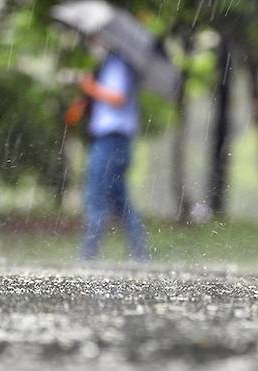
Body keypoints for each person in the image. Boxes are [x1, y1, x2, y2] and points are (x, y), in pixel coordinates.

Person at [72, 51, 149, 262]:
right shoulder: (111, 64)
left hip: (111, 141)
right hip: (115, 141)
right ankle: (141, 255)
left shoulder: (118, 63)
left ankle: (87, 256)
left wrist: (91, 88)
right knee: (119, 200)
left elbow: (118, 97)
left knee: (96, 195)